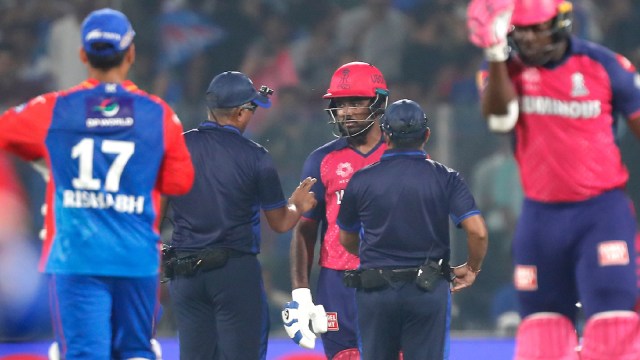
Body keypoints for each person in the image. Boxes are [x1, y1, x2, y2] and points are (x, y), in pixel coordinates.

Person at [0, 8, 195, 360]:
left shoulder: (54, 109)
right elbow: (180, 183)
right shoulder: (159, 115)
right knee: (136, 352)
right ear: (131, 53)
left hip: (78, 256)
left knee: (85, 354)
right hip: (136, 256)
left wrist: (43, 160)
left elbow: (5, 132)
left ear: (82, 55)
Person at [467, 0, 640, 358]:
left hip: (601, 212)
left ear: (560, 23)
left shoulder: (604, 65)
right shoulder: (502, 67)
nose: (529, 38)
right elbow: (498, 119)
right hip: (541, 215)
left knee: (614, 319)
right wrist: (496, 54)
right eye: (522, 29)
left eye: (537, 28)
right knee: (542, 327)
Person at [165, 70, 318, 360]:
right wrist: (297, 205)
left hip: (185, 272)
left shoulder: (177, 147)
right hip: (233, 272)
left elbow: (157, 209)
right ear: (239, 113)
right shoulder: (255, 156)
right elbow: (280, 222)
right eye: (252, 108)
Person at [336, 98, 488, 359]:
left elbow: (346, 237)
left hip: (375, 292)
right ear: (427, 134)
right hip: (427, 291)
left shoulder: (361, 180)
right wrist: (472, 267)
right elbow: (478, 232)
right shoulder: (446, 177)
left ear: (384, 135)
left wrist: (373, 255)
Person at [284, 61, 389, 359]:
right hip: (337, 283)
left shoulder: (401, 155)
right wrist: (301, 293)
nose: (346, 111)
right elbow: (305, 229)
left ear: (378, 103)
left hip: (392, 279)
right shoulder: (321, 160)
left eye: (355, 102)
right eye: (340, 104)